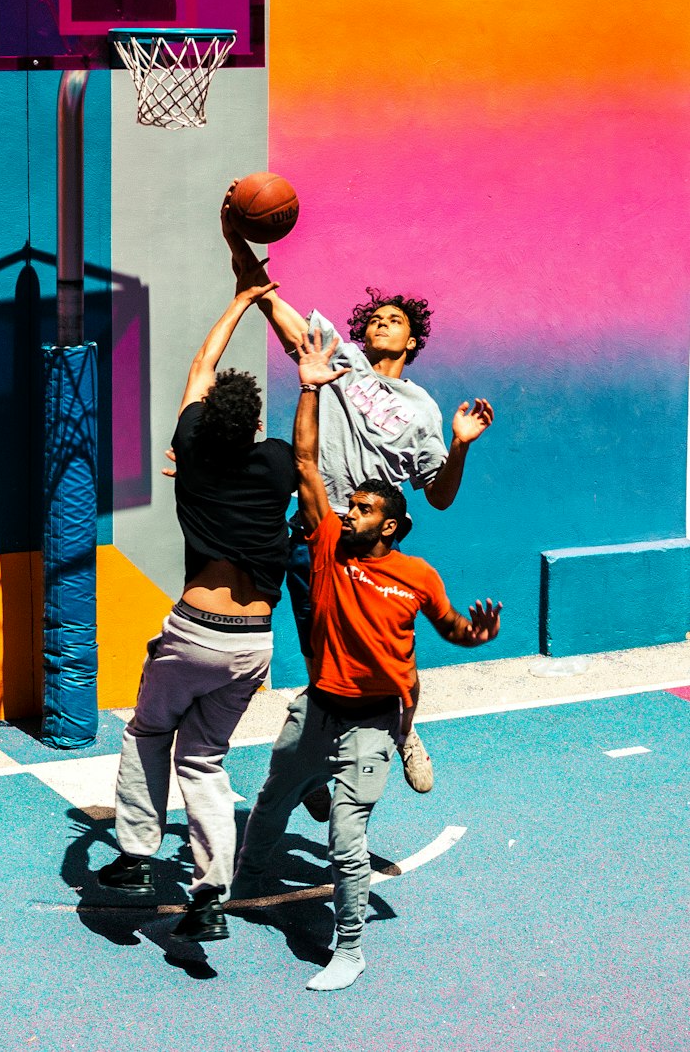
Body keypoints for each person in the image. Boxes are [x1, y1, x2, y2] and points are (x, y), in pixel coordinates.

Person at [231, 330, 501, 990]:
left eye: (364, 507)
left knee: (346, 839)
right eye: (350, 504)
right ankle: (247, 881)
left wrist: (478, 636)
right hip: (318, 708)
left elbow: (453, 632)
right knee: (272, 799)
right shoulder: (325, 544)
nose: (350, 510)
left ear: (391, 525)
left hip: (374, 721)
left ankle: (347, 947)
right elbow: (302, 461)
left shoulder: (417, 574)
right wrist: (309, 385)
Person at [221, 196, 494, 797]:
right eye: (374, 317)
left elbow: (439, 497)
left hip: (373, 547)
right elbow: (263, 294)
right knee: (325, 665)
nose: (379, 323)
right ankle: (316, 764)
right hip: (317, 532)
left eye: (394, 320)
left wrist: (460, 443)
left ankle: (405, 730)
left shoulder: (421, 409)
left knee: (390, 655)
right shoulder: (334, 358)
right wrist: (236, 236)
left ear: (413, 340)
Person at [97, 274, 296, 944]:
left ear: (205, 424)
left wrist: (240, 300)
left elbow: (200, 368)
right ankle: (210, 896)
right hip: (255, 643)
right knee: (205, 760)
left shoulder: (190, 450)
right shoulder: (277, 465)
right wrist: (315, 380)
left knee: (149, 733)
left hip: (195, 633)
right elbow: (304, 429)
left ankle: (135, 856)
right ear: (257, 425)